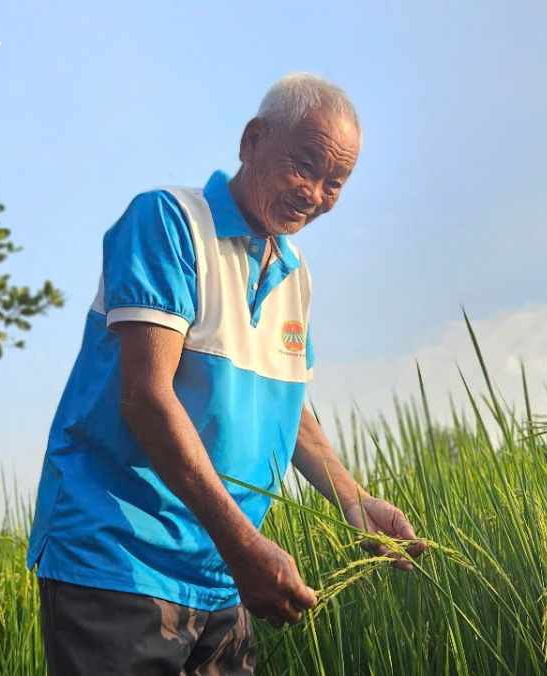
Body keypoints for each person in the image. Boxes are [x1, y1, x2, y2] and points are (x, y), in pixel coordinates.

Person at [25, 72, 427, 676]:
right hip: (122, 563)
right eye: (304, 166)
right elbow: (144, 396)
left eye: (335, 182)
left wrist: (353, 500)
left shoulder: (294, 272)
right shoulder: (168, 221)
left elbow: (287, 406)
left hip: (220, 577)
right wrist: (244, 546)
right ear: (252, 141)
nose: (314, 193)